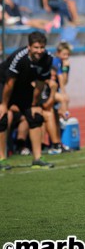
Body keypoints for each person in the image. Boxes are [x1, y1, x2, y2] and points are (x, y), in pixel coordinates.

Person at [0, 31, 54, 168]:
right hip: (4, 84)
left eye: (42, 47)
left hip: (23, 87)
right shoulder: (19, 57)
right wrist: (4, 105)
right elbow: (9, 83)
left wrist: (34, 103)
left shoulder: (47, 59)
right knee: (2, 117)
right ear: (29, 47)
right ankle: (1, 159)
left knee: (35, 115)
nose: (39, 51)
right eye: (36, 47)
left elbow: (41, 83)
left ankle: (37, 158)